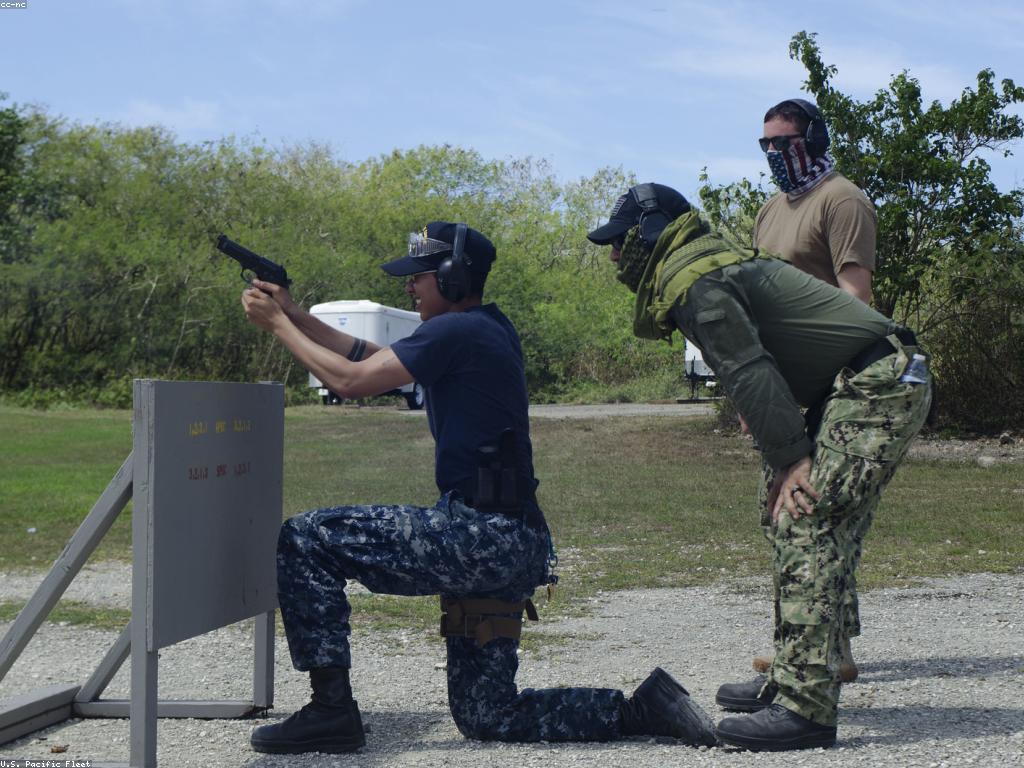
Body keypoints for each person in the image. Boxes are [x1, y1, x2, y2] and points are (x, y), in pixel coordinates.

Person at [240, 221, 717, 753]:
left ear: (452, 276)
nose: (409, 287)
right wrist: (294, 313)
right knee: (488, 714)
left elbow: (349, 381)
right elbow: (367, 357)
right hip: (511, 539)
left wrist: (277, 326)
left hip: (479, 535)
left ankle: (330, 710)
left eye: (418, 276)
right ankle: (639, 710)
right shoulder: (483, 326)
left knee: (308, 538)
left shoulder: (454, 331)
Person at [588, 185, 931, 750]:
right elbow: (752, 366)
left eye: (620, 243)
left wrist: (792, 459)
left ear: (650, 232)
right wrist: (783, 458)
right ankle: (793, 673)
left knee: (806, 515)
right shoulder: (697, 264)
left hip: (879, 380)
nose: (615, 257)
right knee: (781, 513)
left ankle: (807, 708)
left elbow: (748, 369)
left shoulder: (694, 277)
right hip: (851, 382)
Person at [751, 98, 878, 683]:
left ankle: (827, 649)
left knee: (820, 514)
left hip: (835, 382)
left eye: (785, 143)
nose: (775, 155)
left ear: (815, 139)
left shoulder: (842, 200)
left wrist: (812, 370)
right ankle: (805, 642)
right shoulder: (770, 210)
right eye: (766, 146)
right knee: (778, 512)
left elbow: (856, 297)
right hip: (781, 387)